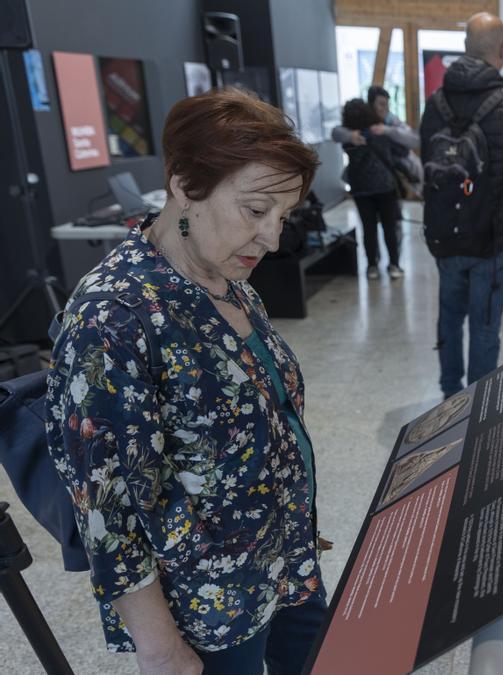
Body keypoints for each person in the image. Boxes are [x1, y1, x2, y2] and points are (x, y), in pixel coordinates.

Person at [45, 87, 326, 675]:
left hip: (286, 562)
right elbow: (107, 510)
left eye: (285, 215)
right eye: (255, 210)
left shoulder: (227, 277)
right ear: (185, 185)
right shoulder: (113, 317)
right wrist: (160, 646)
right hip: (209, 610)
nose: (272, 239)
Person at [420, 12, 503, 398]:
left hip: (444, 233)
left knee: (449, 318)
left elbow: (428, 162)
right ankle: (477, 408)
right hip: (494, 239)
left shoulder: (435, 103)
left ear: (464, 49)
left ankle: (448, 397)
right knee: (486, 326)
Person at [340, 98, 404, 279]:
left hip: (361, 189)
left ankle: (372, 266)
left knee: (368, 229)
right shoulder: (380, 131)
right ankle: (394, 265)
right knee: (390, 228)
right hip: (385, 187)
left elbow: (337, 133)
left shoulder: (349, 138)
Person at [331, 86, 423, 191]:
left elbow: (414, 140)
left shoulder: (390, 120)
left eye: (387, 104)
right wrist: (351, 136)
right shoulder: (359, 119)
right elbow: (335, 132)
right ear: (371, 105)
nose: (386, 109)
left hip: (389, 179)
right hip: (362, 180)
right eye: (382, 104)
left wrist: (388, 131)